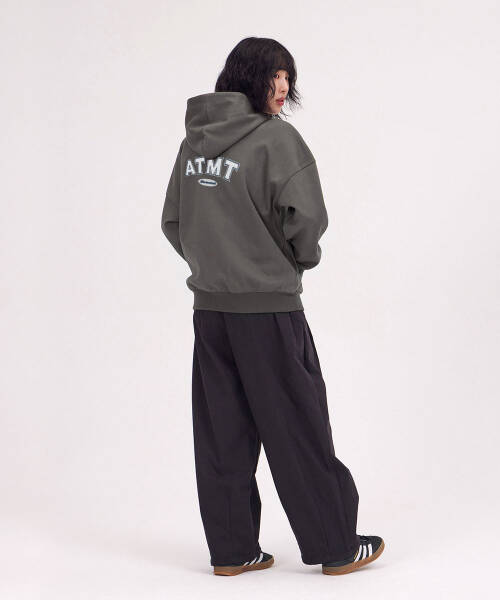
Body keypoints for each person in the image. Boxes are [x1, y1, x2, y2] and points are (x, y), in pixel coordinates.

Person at [161, 36, 384, 576]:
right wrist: (290, 264)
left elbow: (174, 221)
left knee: (222, 432)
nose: (283, 87)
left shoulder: (194, 144)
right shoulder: (276, 139)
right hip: (268, 311)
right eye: (274, 75)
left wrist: (216, 264)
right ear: (248, 77)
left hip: (211, 313)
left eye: (287, 76)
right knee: (297, 426)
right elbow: (307, 220)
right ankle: (335, 546)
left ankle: (233, 551)